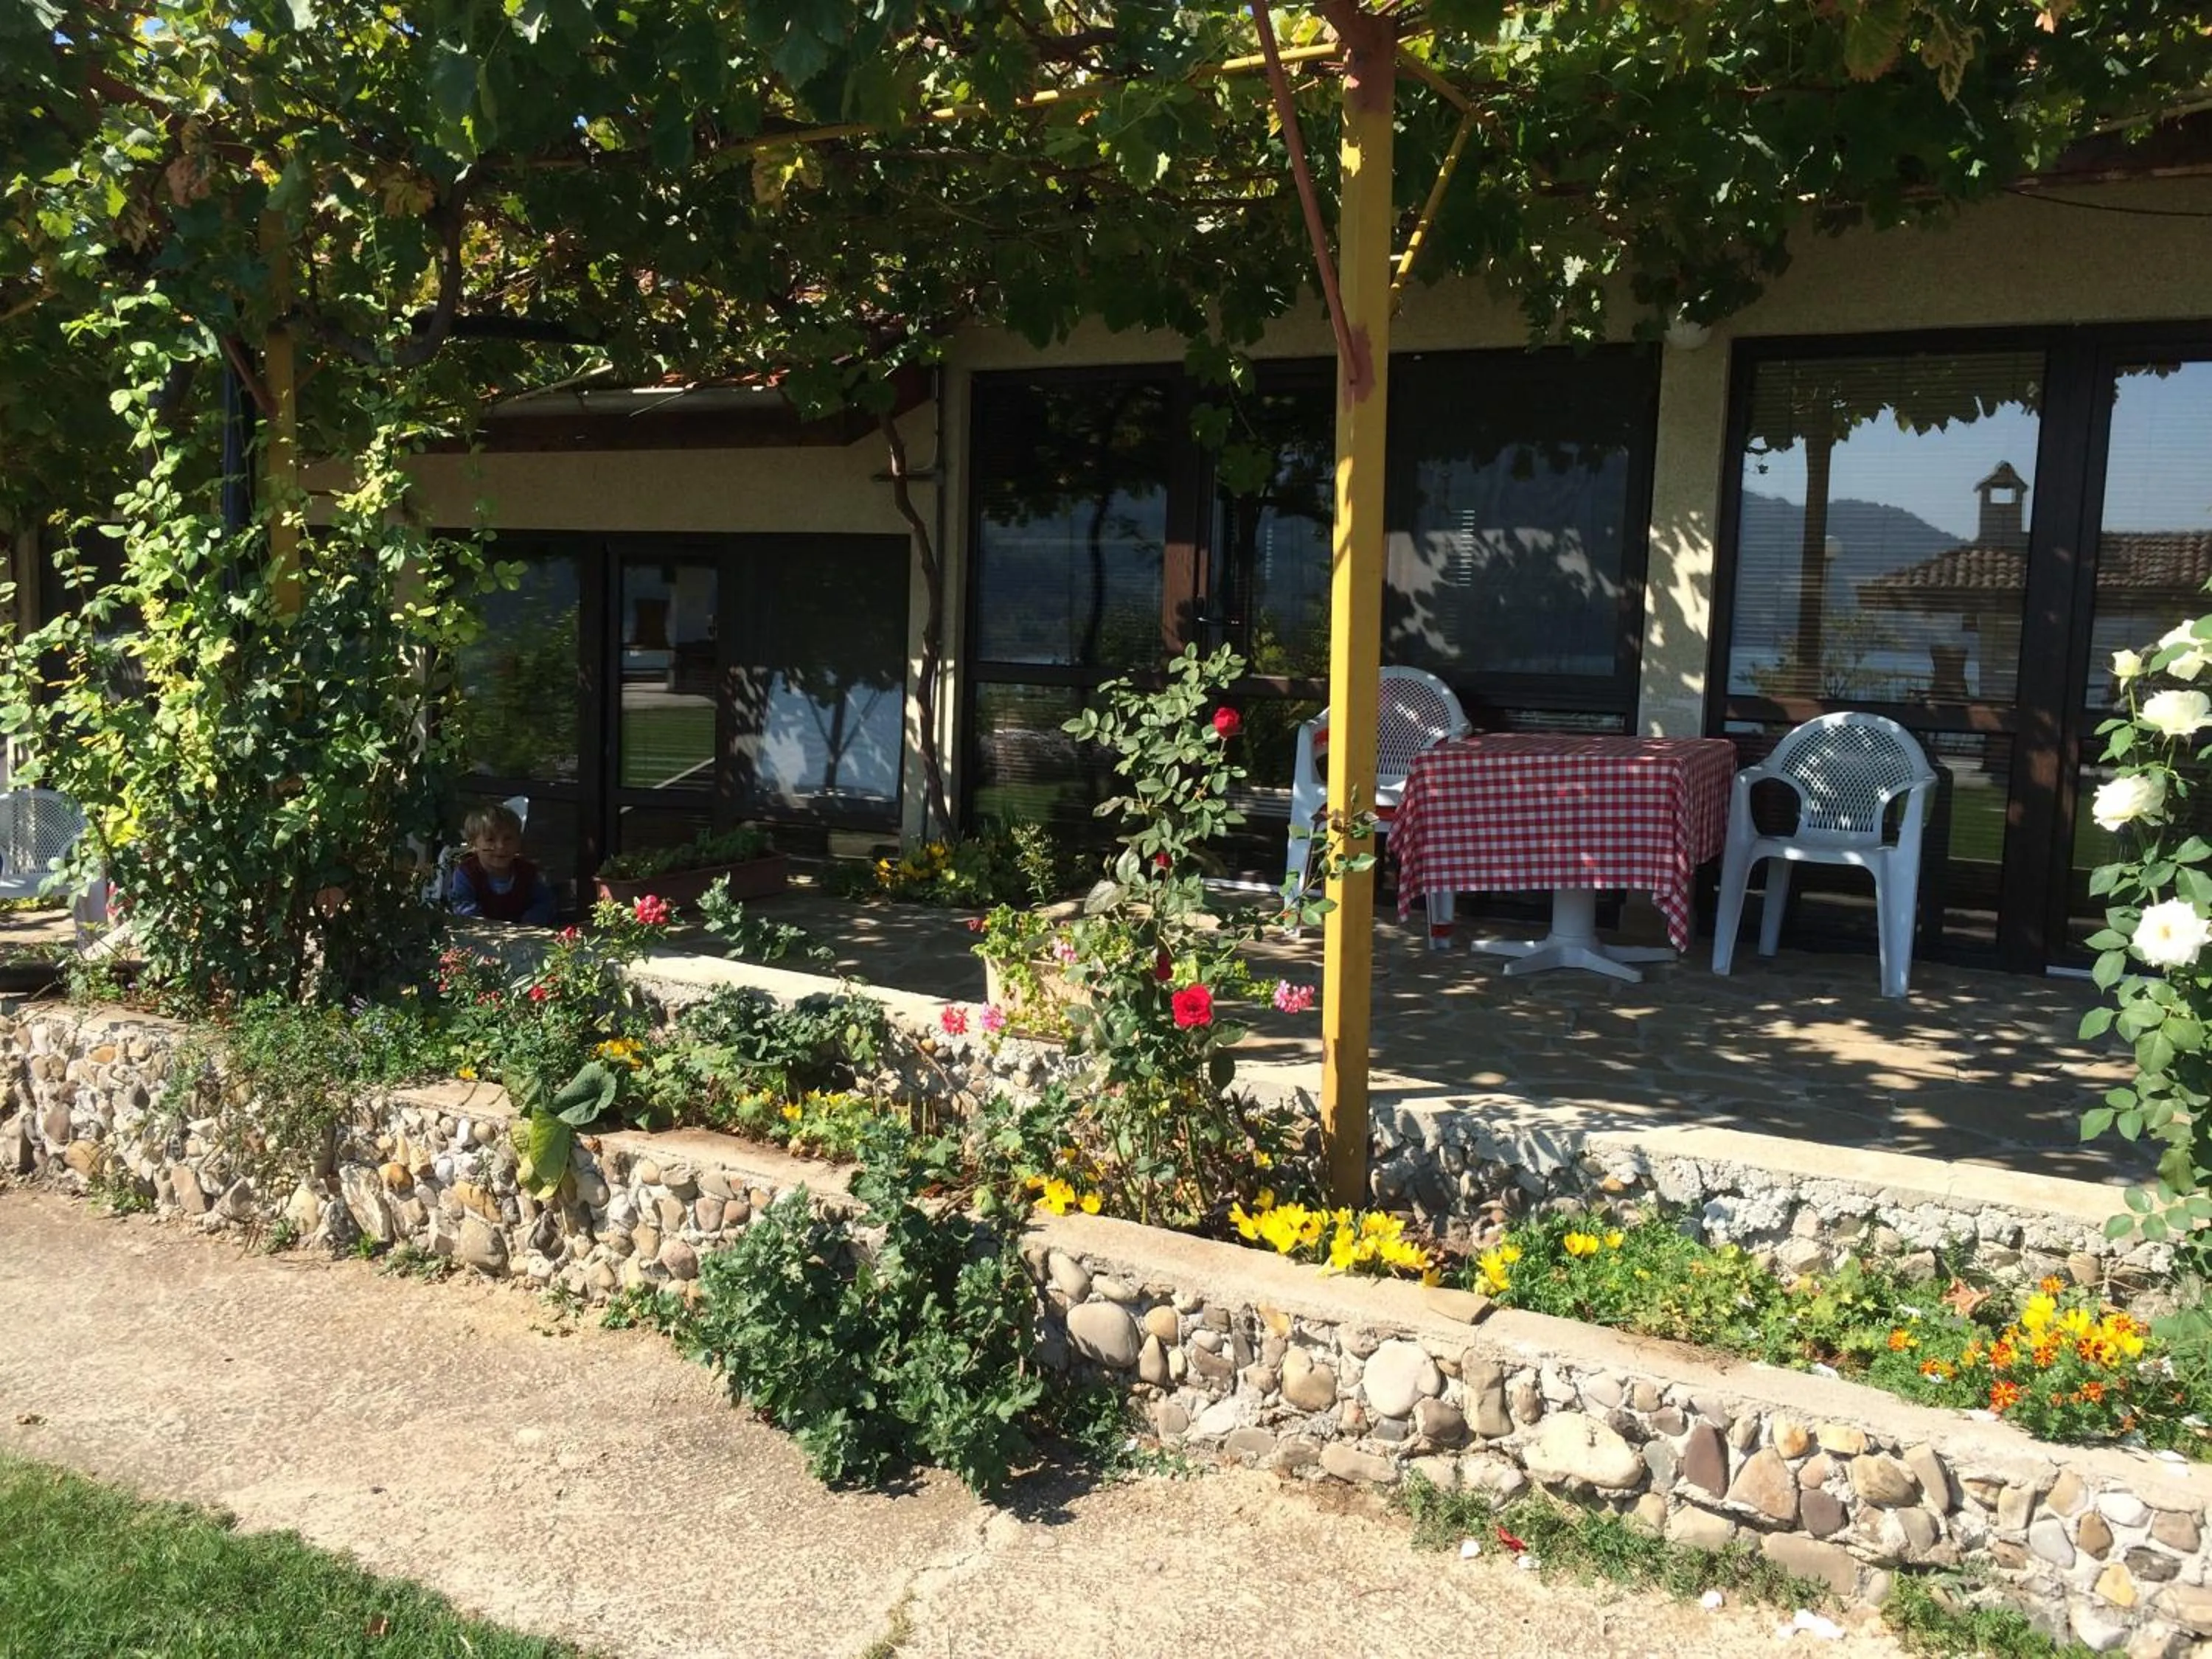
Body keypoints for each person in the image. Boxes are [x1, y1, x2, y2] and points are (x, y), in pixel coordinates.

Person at [448, 802, 557, 925]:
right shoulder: (466, 873)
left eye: (508, 838)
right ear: (473, 844)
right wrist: (488, 928)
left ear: (518, 841)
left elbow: (544, 903)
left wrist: (530, 922)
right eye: (490, 840)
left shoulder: (528, 872)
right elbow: (464, 907)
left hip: (522, 935)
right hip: (480, 936)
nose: (501, 846)